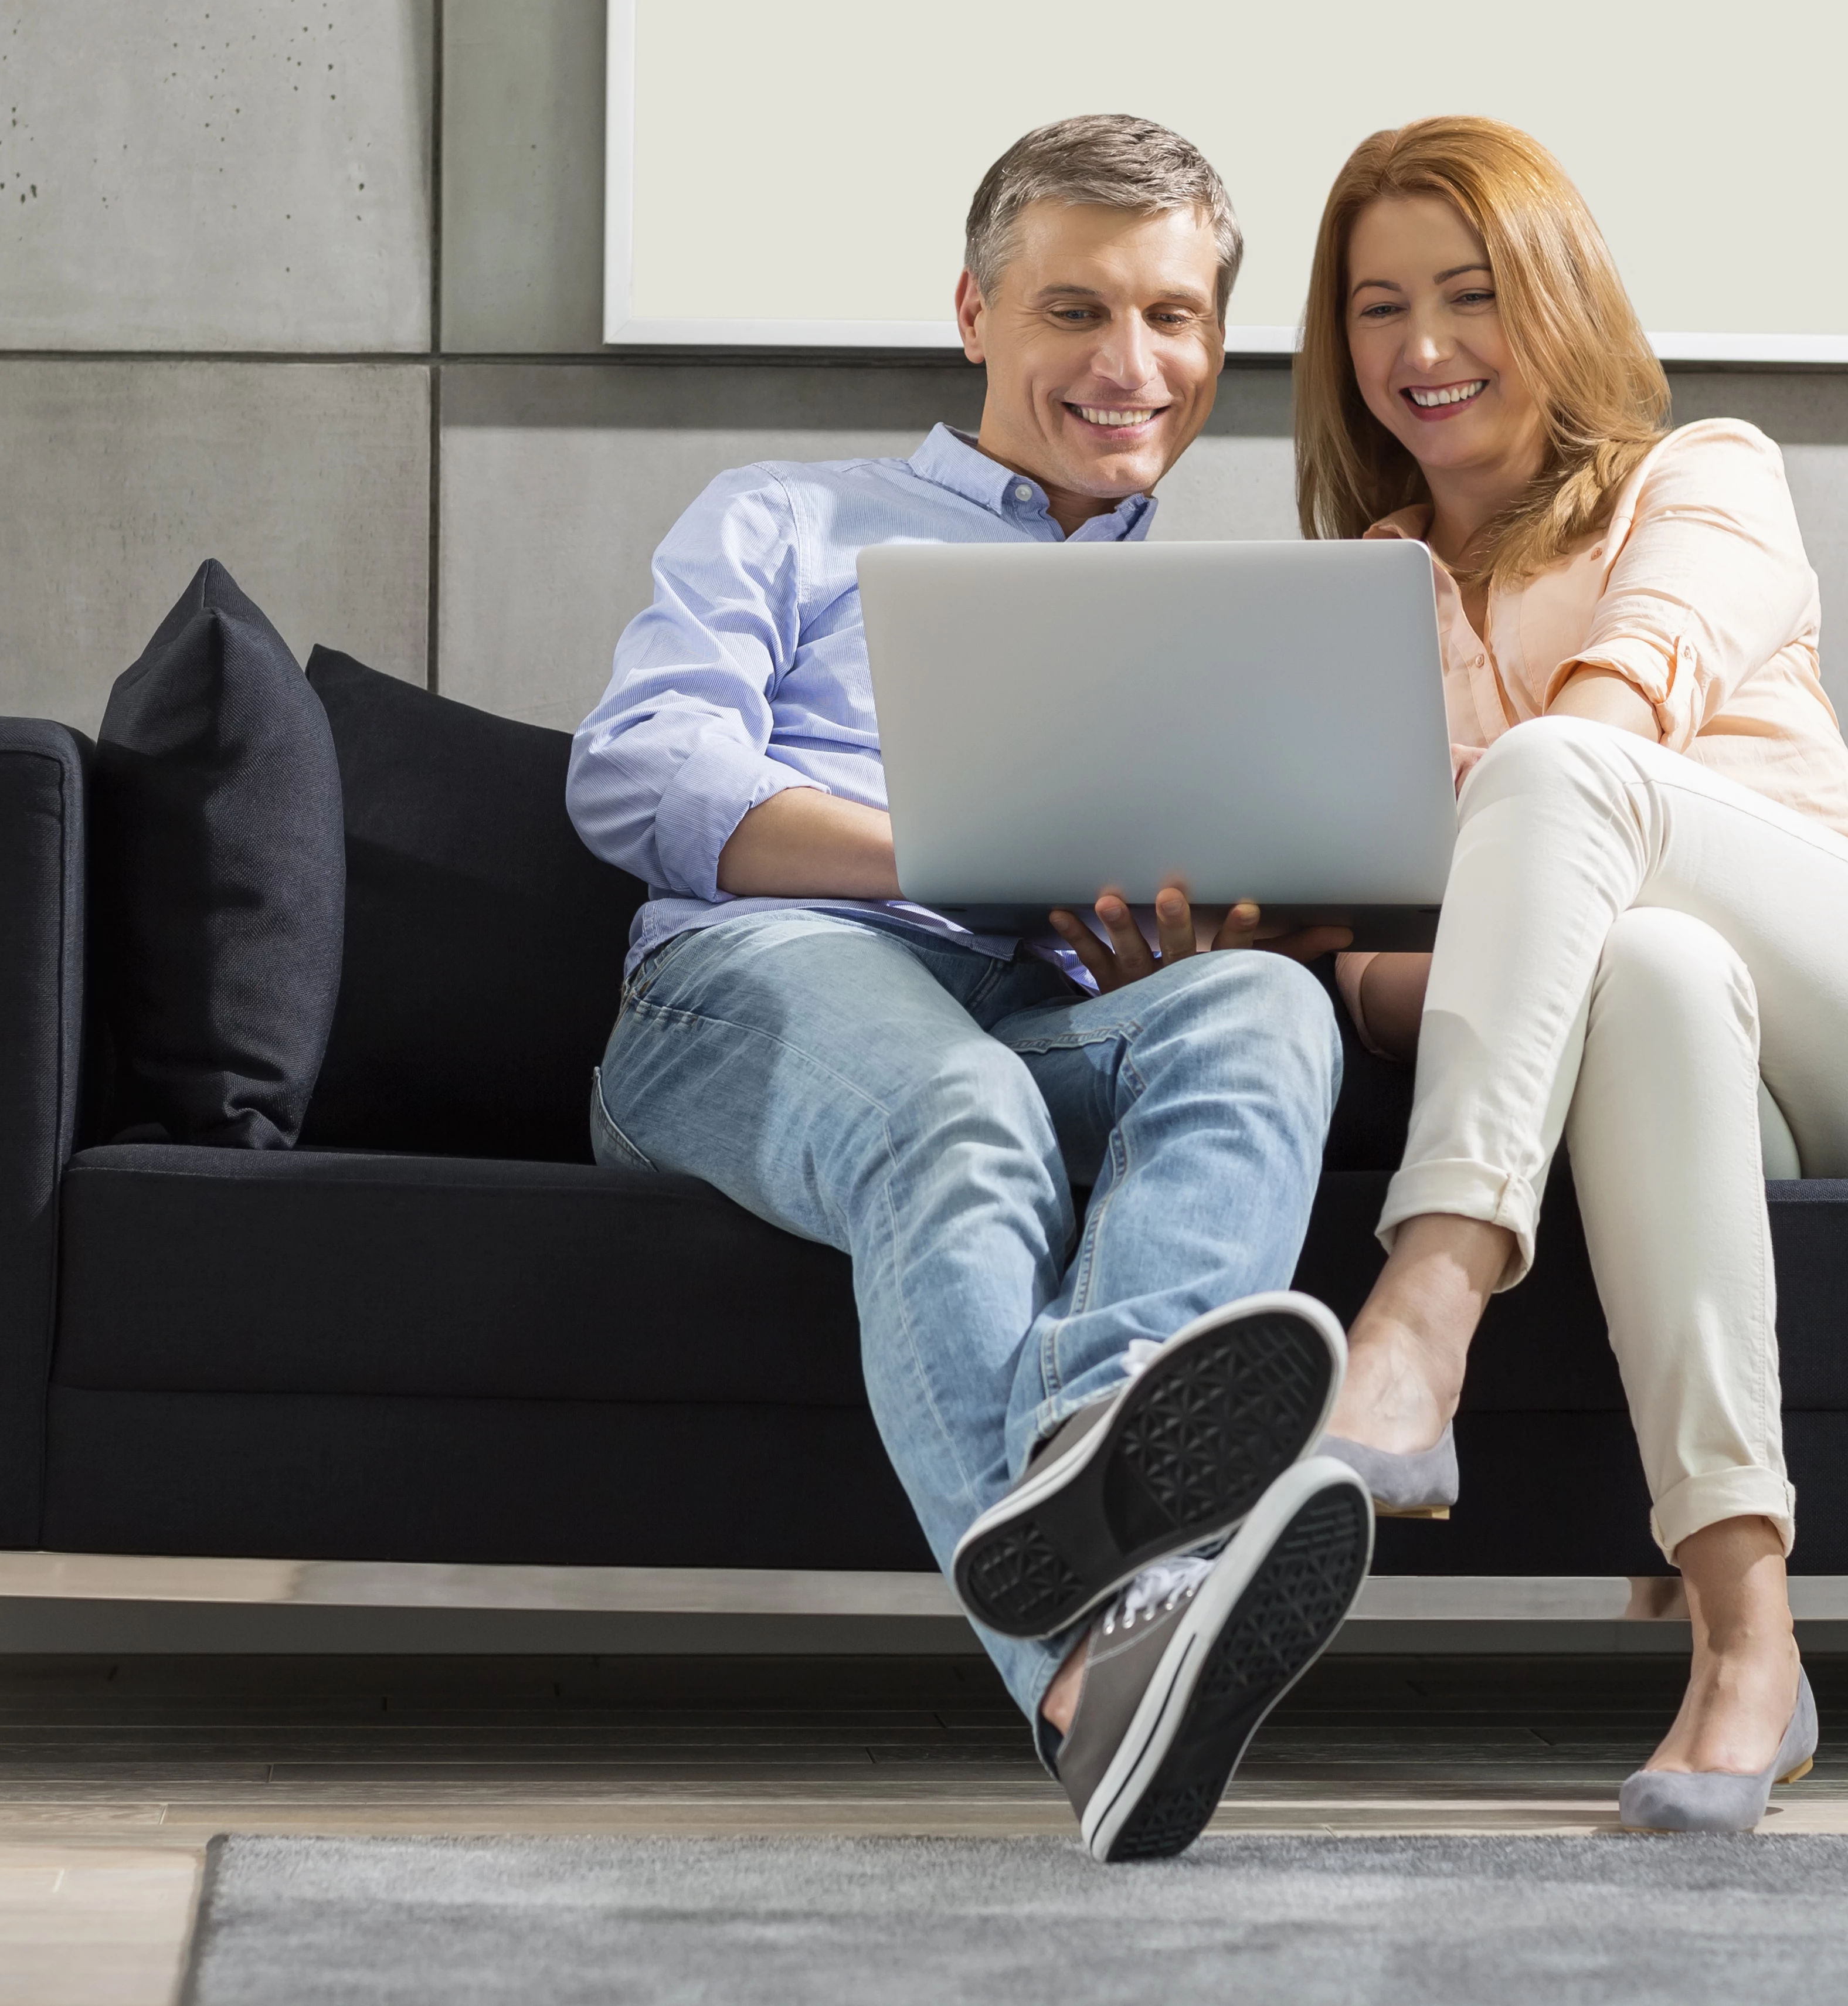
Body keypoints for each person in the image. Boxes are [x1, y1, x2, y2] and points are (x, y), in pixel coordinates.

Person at [568, 114, 1374, 1862]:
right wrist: (935, 848)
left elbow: (1204, 949)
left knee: (1264, 1013)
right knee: (961, 1100)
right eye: (1075, 308)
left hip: (1030, 1014)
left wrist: (1185, 935)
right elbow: (636, 777)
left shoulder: (1226, 630)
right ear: (975, 312)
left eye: (1173, 318)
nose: (1128, 362)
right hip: (759, 984)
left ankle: (1102, 1449)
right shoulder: (786, 517)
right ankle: (1098, 1656)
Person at [1290, 117, 1848, 1832]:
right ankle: (1747, 1640)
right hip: (1694, 1057)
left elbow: (1612, 726)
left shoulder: (1701, 474)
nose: (1421, 349)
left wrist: (1387, 937)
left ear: (1555, 297)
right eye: (1377, 306)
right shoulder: (1351, 607)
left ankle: (1421, 1316)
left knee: (1567, 780)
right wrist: (1308, 959)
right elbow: (1424, 967)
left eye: (1470, 294)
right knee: (1637, 968)